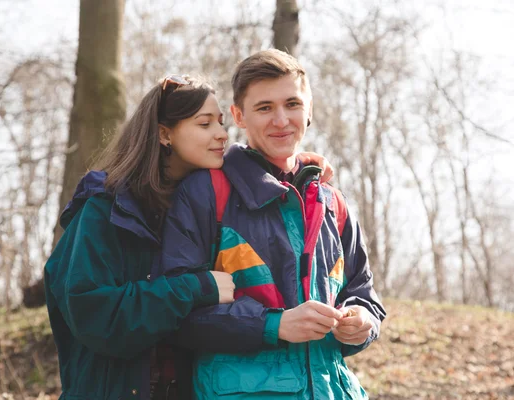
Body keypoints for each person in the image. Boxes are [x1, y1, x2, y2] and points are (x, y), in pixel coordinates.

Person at [44, 74, 336, 399]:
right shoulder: (105, 209)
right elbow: (94, 313)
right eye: (204, 124)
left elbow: (250, 163)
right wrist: (196, 287)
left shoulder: (196, 202)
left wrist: (299, 168)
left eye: (221, 123)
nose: (222, 134)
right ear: (165, 133)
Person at [159, 50, 386, 399]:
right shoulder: (205, 193)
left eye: (292, 104)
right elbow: (176, 311)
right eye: (264, 108)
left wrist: (363, 322)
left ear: (308, 110)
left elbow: (364, 294)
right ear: (239, 116)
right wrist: (274, 325)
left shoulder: (333, 203)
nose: (281, 120)